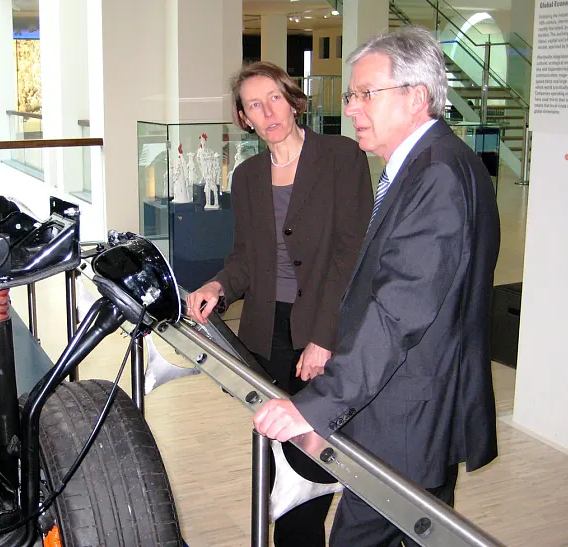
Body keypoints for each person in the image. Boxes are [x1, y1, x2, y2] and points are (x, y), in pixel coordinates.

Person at [253, 25, 501, 547]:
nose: (352, 109)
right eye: (351, 95)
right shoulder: (430, 164)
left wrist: (315, 404)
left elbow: (398, 311)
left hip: (405, 417)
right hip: (410, 409)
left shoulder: (436, 175)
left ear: (416, 97)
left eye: (367, 94)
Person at [186, 61, 373, 546]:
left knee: (307, 465)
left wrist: (324, 337)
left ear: (292, 99)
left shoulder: (342, 157)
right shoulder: (247, 176)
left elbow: (351, 256)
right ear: (244, 118)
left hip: (322, 329)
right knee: (274, 460)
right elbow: (246, 259)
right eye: (253, 104)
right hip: (268, 334)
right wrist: (217, 286)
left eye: (273, 97)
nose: (267, 111)